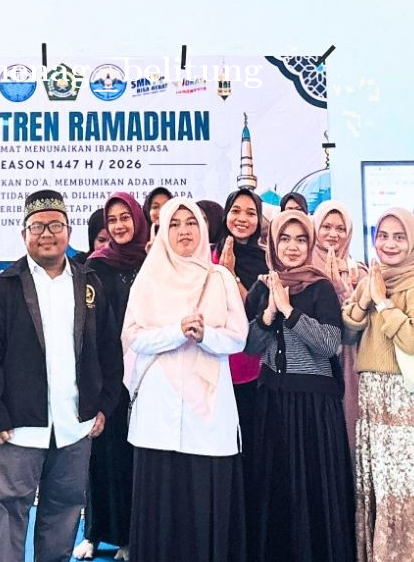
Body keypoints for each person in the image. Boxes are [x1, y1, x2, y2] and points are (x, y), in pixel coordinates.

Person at [0, 189, 121, 562]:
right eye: (37, 226)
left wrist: (102, 406)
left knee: (65, 509)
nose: (47, 234)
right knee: (10, 508)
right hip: (18, 425)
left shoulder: (90, 283)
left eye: (55, 225)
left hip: (75, 424)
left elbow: (109, 350)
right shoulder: (2, 288)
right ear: (23, 233)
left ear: (68, 231)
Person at [122, 198, 247, 561]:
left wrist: (206, 336)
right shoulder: (149, 278)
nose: (183, 231)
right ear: (162, 231)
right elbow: (134, 337)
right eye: (174, 224)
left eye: (190, 223)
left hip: (208, 414)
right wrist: (176, 332)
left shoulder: (219, 278)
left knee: (203, 502)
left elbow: (238, 338)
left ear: (203, 228)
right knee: (161, 504)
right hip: (158, 412)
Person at [242, 210, 354, 562]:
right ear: (273, 243)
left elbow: (329, 344)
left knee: (312, 487)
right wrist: (267, 315)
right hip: (272, 400)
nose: (292, 247)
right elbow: (249, 346)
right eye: (285, 239)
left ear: (310, 244)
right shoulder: (262, 287)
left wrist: (290, 312)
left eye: (301, 239)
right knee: (277, 487)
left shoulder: (321, 286)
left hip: (314, 405)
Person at [342, 207, 414, 562]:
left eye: (399, 237)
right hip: (372, 394)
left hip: (407, 398)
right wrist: (366, 297)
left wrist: (383, 302)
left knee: (408, 490)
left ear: (413, 241)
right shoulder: (372, 279)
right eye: (383, 236)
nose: (389, 244)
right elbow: (347, 332)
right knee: (379, 488)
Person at [77, 192, 148, 562]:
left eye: (126, 217)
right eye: (113, 219)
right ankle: (94, 531)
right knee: (101, 453)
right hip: (107, 374)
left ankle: (130, 536)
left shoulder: (153, 262)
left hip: (146, 374)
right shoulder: (96, 266)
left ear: (138, 219)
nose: (120, 225)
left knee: (134, 455)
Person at [311, 200, 369, 440]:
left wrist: (344, 292)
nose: (333, 234)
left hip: (347, 357)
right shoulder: (303, 268)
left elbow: (365, 323)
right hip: (313, 358)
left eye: (340, 228)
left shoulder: (358, 272)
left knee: (346, 420)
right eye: (326, 226)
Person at [218, 188, 269, 424]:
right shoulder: (209, 254)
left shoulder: (265, 260)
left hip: (251, 359)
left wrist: (231, 275)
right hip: (216, 358)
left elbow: (254, 310)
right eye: (235, 211)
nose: (242, 219)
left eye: (250, 213)